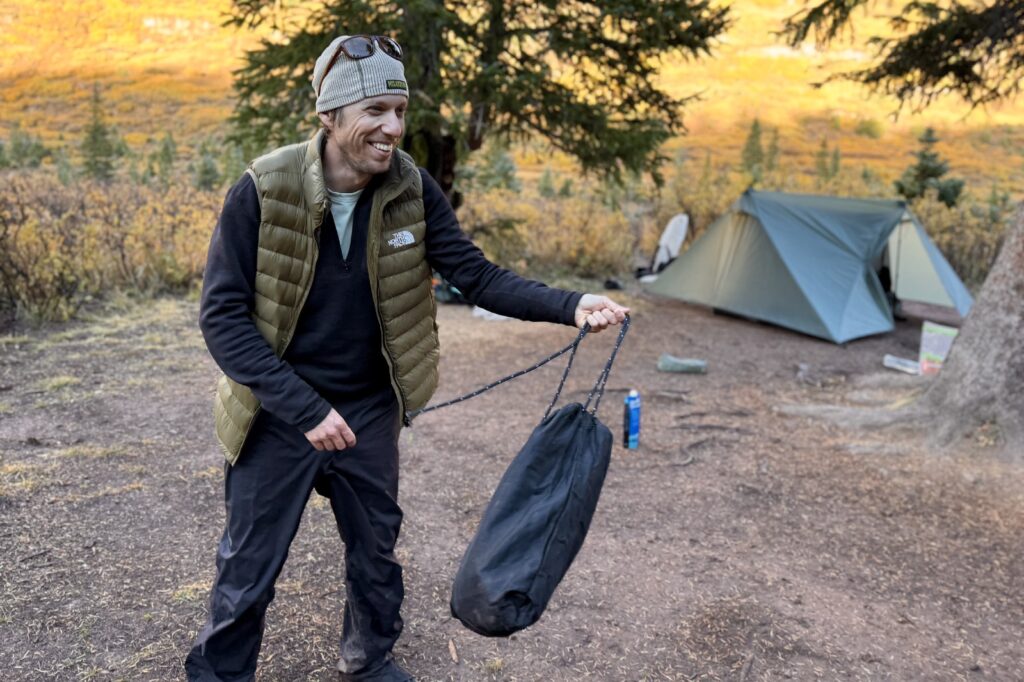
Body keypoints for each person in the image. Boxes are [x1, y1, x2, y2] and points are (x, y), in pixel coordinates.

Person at [185, 34, 629, 682]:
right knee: (249, 566)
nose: (394, 127)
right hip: (278, 411)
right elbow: (221, 319)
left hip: (367, 407)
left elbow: (474, 276)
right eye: (376, 111)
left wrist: (570, 305)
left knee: (376, 553)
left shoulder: (411, 188)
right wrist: (304, 408)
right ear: (330, 116)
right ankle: (220, 674)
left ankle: (368, 659)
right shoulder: (263, 187)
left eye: (399, 109)